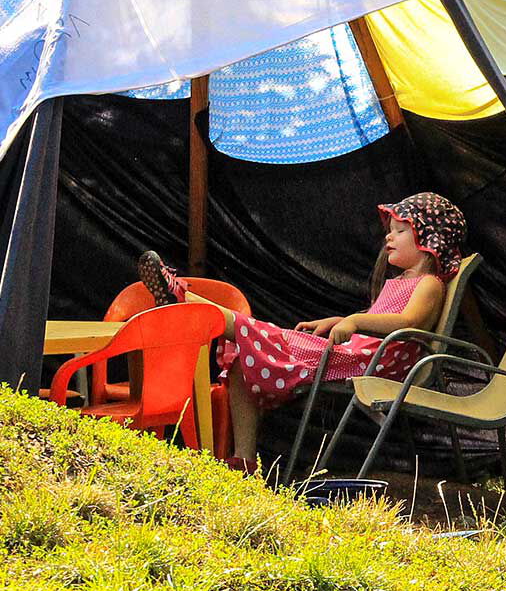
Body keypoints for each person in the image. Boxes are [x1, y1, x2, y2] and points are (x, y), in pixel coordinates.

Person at [137, 191, 467, 473]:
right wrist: (337, 320)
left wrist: (354, 321)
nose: (388, 237)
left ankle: (184, 300)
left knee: (261, 334)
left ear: (428, 241)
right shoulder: (401, 282)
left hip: (371, 364)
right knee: (241, 361)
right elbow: (379, 318)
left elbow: (408, 323)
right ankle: (245, 463)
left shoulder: (429, 284)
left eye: (398, 231)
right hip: (358, 354)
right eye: (391, 231)